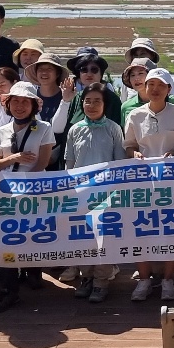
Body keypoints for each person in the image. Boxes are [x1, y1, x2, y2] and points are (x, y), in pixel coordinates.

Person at [0, 80, 57, 310]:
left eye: (24, 101)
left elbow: (43, 163)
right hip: (6, 193)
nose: (19, 106)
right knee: (8, 238)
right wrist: (13, 159)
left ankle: (34, 272)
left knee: (32, 235)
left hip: (34, 192)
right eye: (15, 101)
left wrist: (26, 187)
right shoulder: (2, 131)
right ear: (8, 105)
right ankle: (8, 289)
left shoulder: (44, 128)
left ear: (34, 105)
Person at [123, 68, 174, 301]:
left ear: (169, 89)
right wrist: (135, 155)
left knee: (171, 229)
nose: (155, 89)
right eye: (151, 84)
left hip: (172, 181)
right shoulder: (135, 115)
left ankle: (168, 280)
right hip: (142, 182)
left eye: (160, 85)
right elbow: (129, 145)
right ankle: (144, 279)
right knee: (142, 229)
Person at [64, 83, 127, 304]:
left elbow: (119, 163)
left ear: (105, 104)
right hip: (81, 193)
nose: (91, 105)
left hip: (106, 193)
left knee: (104, 238)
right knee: (83, 238)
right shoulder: (75, 129)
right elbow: (70, 163)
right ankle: (86, 278)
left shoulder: (113, 128)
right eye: (87, 101)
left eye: (97, 101)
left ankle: (101, 282)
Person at [65, 47, 123, 126]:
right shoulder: (70, 94)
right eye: (84, 69)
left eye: (94, 70)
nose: (89, 74)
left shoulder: (112, 98)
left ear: (101, 74)